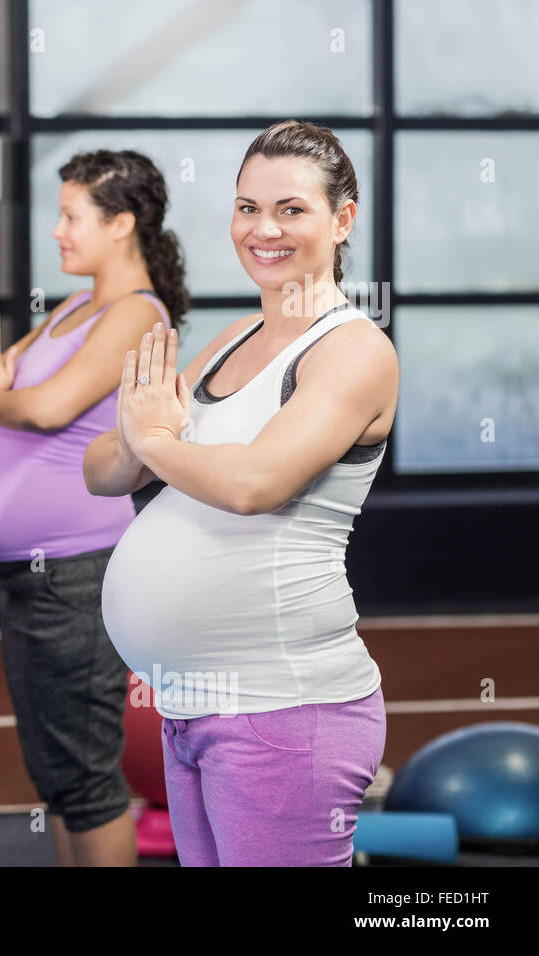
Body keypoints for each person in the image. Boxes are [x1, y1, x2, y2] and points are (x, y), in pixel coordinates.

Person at [89, 120, 397, 866]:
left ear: (342, 220)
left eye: (291, 209)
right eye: (247, 207)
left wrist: (159, 440)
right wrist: (139, 434)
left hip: (283, 707)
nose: (264, 229)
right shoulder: (231, 338)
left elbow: (256, 483)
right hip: (191, 709)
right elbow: (102, 471)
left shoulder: (354, 349)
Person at [0, 150, 190, 866]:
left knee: (85, 778)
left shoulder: (136, 314)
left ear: (121, 224)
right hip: (32, 576)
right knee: (58, 777)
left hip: (76, 571)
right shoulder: (76, 306)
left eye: (71, 216)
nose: (57, 231)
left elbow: (44, 406)